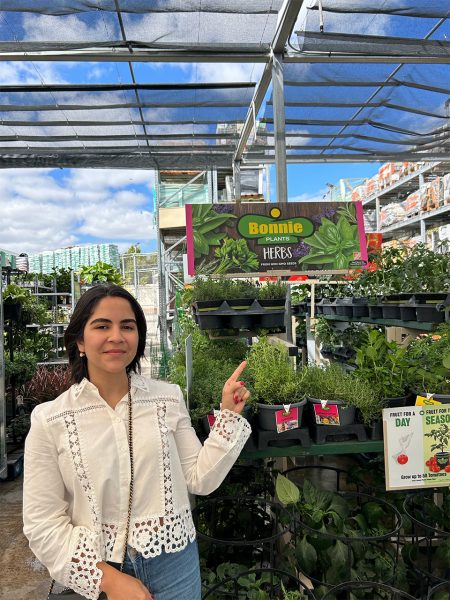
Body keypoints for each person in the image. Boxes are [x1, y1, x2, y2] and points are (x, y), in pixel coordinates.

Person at [23, 284, 251, 600]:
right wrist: (109, 580)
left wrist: (227, 416)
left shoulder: (167, 398)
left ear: (138, 337)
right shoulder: (50, 419)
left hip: (174, 563)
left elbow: (200, 479)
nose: (116, 336)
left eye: (127, 326)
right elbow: (42, 524)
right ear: (80, 341)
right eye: (102, 326)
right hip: (99, 569)